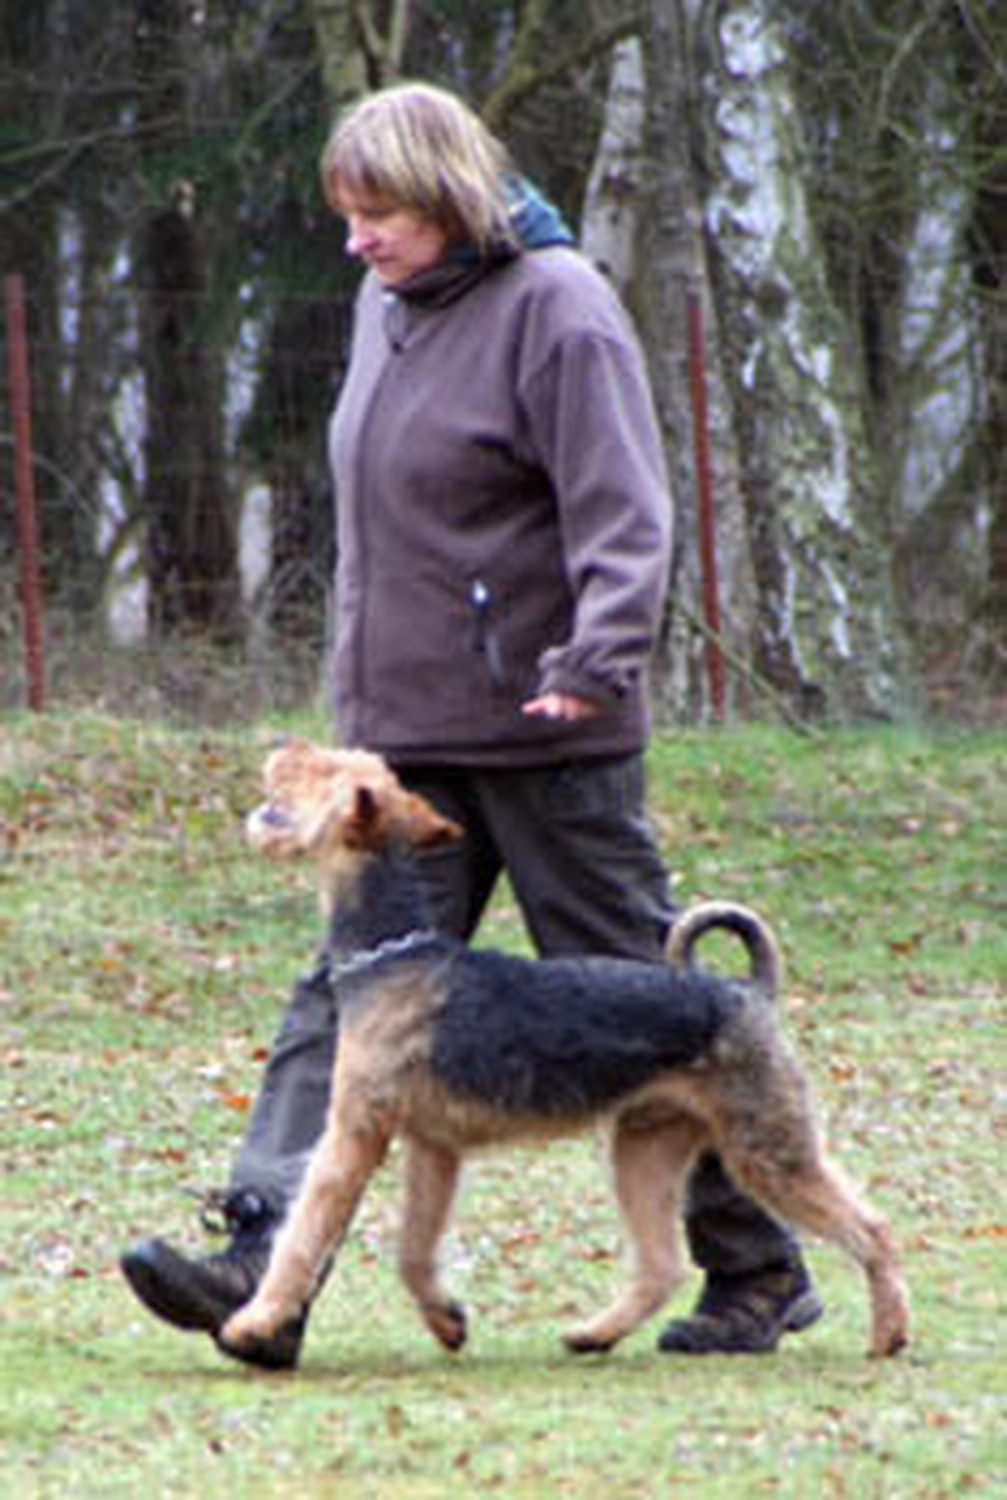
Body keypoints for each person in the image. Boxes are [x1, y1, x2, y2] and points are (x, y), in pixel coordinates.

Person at [121, 82, 822, 1367]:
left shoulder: (559, 311)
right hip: (408, 744)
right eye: (345, 215)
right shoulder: (384, 309)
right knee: (341, 1002)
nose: (355, 239)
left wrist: (594, 659)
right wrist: (358, 705)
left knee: (654, 1006)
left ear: (446, 196)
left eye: (376, 211)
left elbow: (624, 510)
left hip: (550, 732)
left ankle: (757, 1266)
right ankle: (261, 1261)